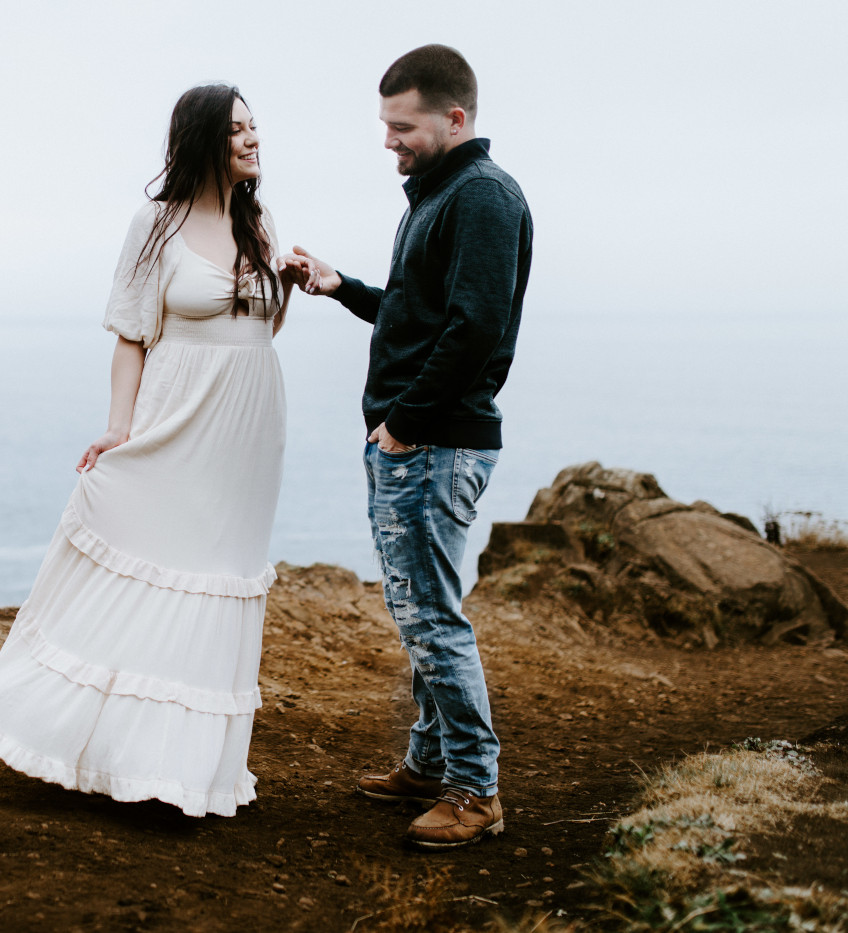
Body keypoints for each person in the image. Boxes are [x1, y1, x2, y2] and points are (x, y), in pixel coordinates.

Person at [0, 84, 298, 818]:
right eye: (237, 129)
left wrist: (288, 285)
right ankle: (99, 742)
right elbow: (131, 337)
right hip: (178, 416)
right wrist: (120, 426)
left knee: (218, 576)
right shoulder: (155, 225)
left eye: (255, 126)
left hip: (248, 434)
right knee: (149, 564)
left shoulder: (257, 220)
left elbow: (260, 330)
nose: (253, 138)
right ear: (203, 138)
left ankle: (183, 767)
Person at [284, 44, 533, 848]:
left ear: (454, 118)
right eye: (386, 125)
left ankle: (474, 788)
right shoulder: (438, 193)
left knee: (430, 617)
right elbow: (418, 313)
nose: (389, 141)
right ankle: (429, 763)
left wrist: (404, 423)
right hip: (419, 438)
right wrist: (339, 286)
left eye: (403, 126)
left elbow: (474, 329)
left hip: (431, 442)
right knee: (419, 611)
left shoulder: (483, 197)